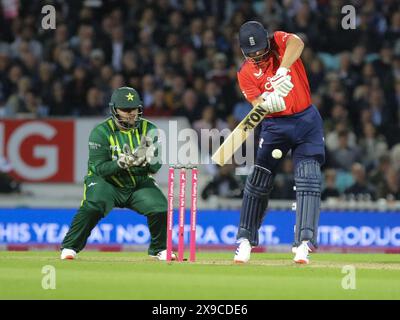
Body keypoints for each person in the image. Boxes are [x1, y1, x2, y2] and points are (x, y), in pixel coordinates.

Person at [234, 21, 325, 264]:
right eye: (250, 52)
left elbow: (298, 42)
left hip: (306, 120)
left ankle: (304, 242)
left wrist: (283, 70)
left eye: (260, 49)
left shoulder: (279, 41)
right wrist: (268, 103)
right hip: (275, 125)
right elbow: (256, 105)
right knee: (259, 180)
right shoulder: (244, 73)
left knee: (309, 178)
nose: (256, 55)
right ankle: (244, 241)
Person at [60, 87, 175, 261]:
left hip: (137, 183)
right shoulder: (100, 132)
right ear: (114, 109)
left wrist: (147, 161)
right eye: (125, 110)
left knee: (159, 207)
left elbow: (155, 167)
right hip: (106, 183)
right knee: (94, 206)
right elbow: (100, 168)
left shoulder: (150, 129)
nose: (131, 114)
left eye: (134, 109)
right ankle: (70, 247)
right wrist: (122, 162)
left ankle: (160, 249)